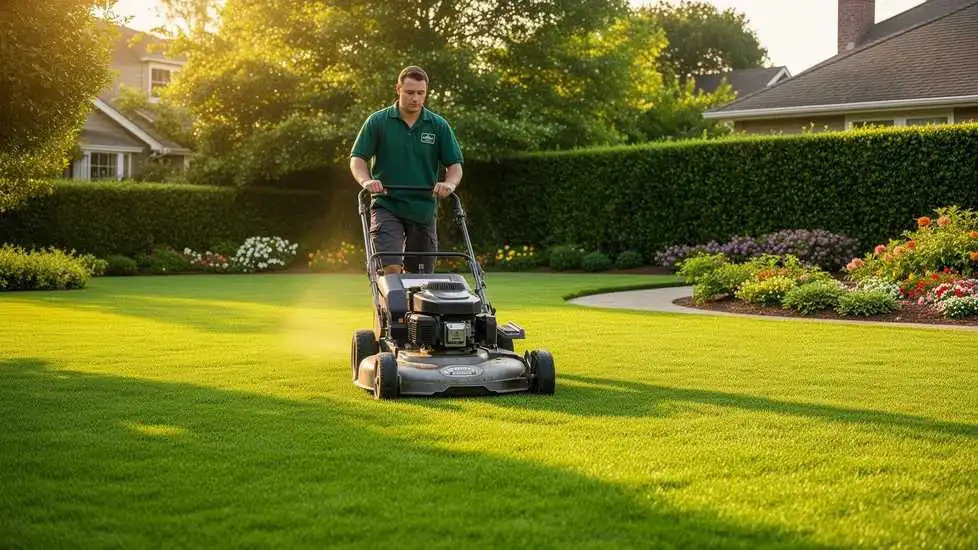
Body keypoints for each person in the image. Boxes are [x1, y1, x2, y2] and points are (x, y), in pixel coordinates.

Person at [350, 65, 464, 275]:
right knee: (390, 266)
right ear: (398, 89)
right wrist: (367, 181)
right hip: (387, 204)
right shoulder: (378, 121)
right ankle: (394, 307)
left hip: (423, 209)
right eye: (410, 92)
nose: (415, 98)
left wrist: (449, 184)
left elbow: (454, 166)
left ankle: (412, 305)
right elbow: (357, 159)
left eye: (421, 93)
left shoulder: (437, 125)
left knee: (420, 276)